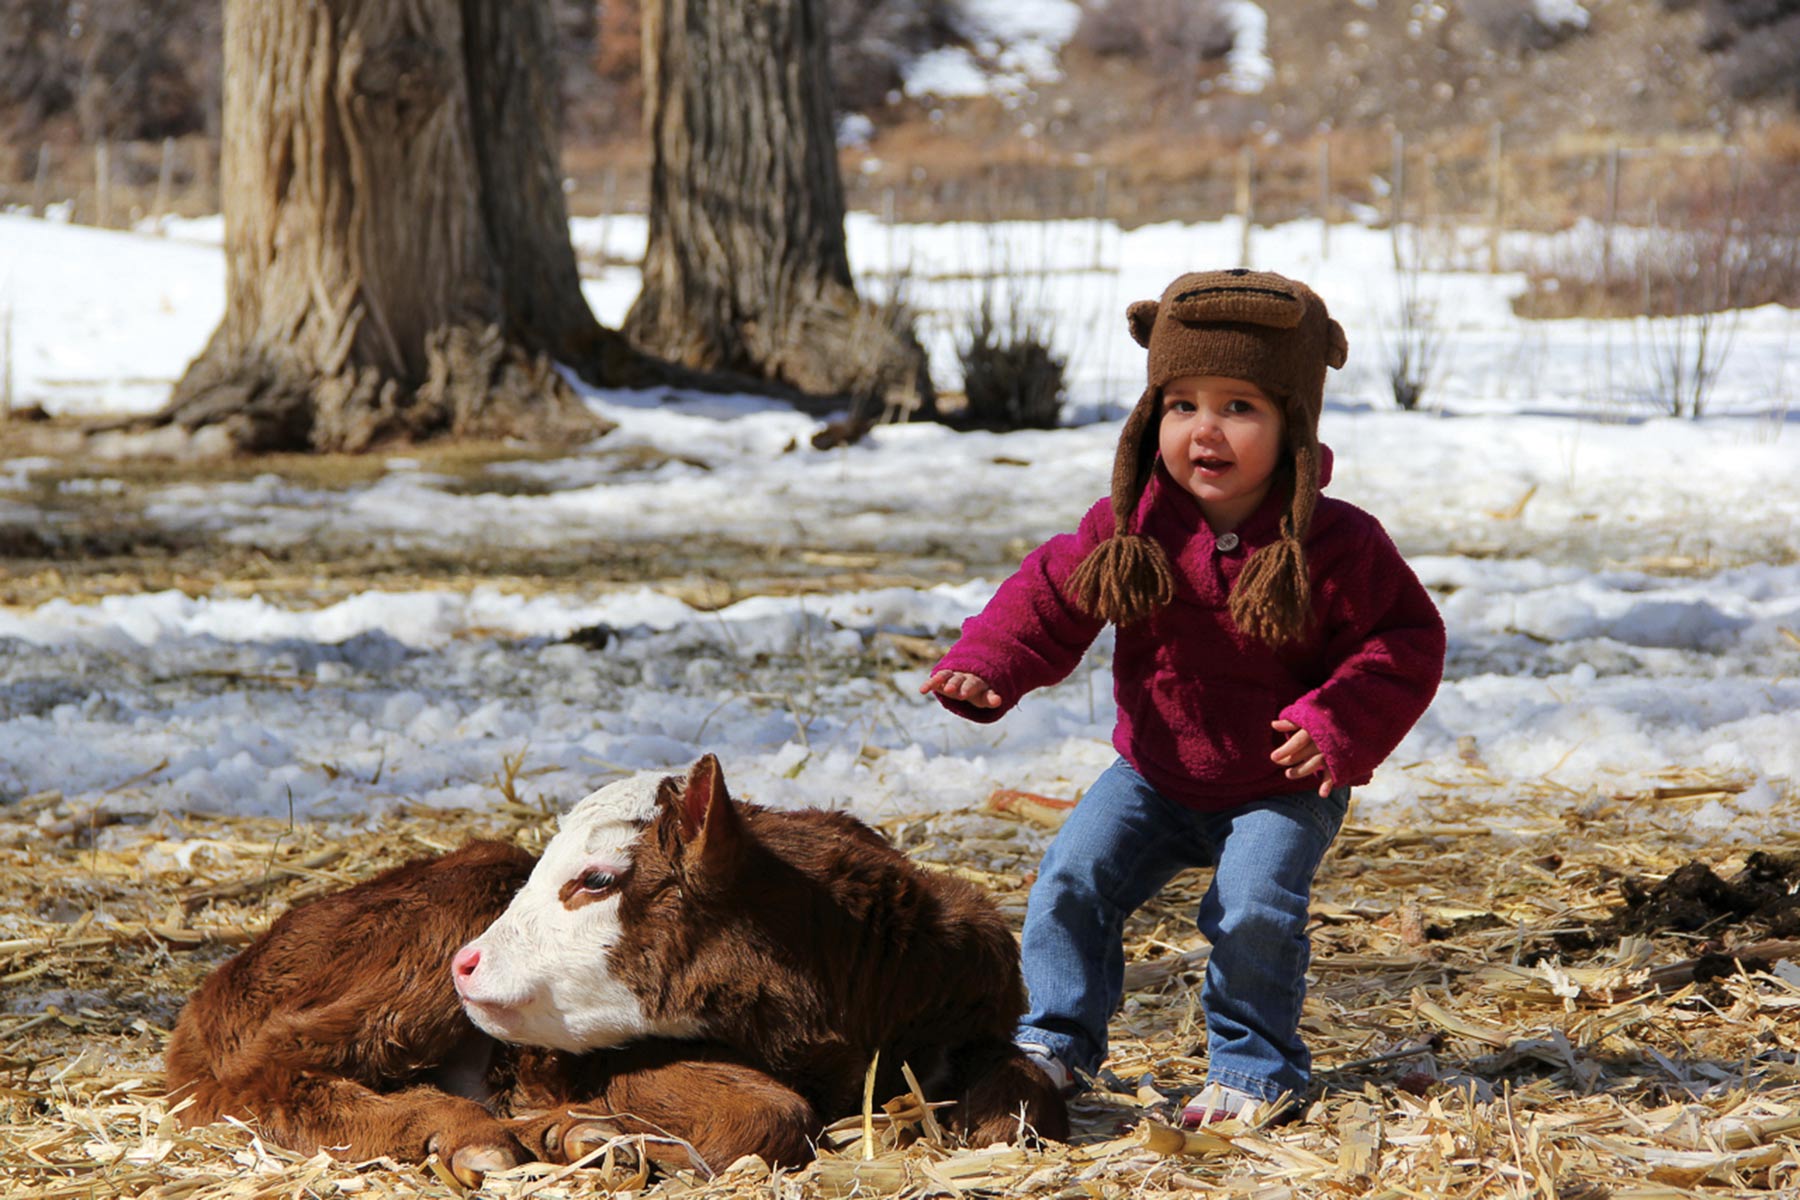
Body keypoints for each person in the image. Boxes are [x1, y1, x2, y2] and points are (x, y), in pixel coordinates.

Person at [921, 269, 1445, 1127]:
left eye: (1240, 406)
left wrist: (1337, 720)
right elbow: (1048, 594)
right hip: (1153, 773)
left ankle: (1255, 1069)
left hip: (1278, 782)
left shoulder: (1338, 542)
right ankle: (1053, 1040)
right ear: (1148, 417)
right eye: (1181, 404)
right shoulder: (1131, 523)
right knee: (1070, 880)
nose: (1206, 428)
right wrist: (989, 661)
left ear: (1294, 425)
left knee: (1252, 908)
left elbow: (1404, 641)